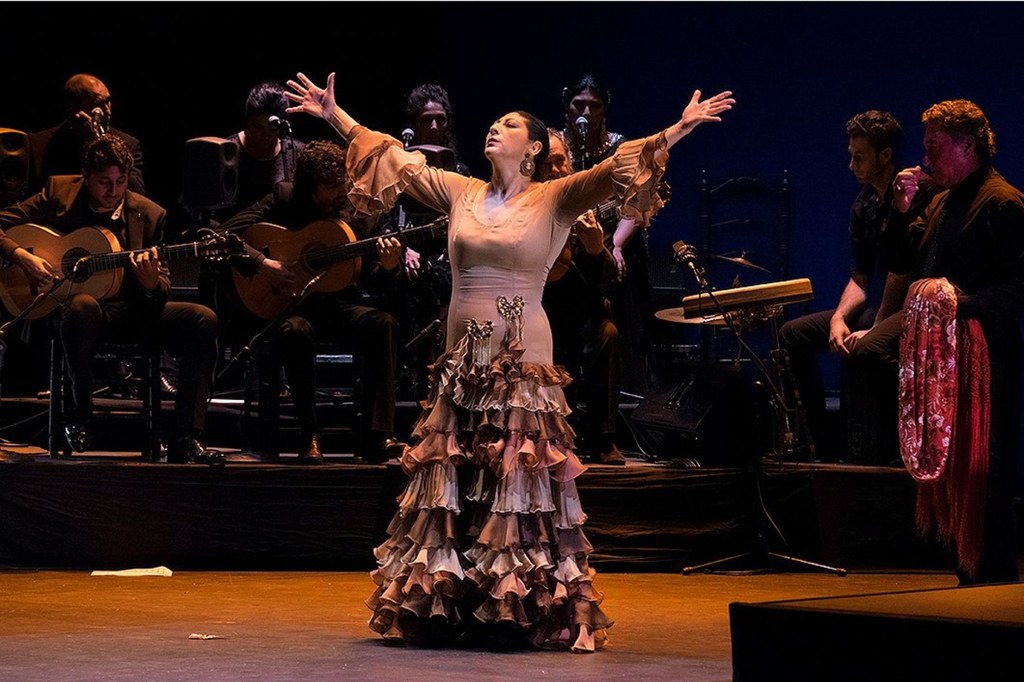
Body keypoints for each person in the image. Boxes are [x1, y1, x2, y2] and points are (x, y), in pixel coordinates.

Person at [285, 70, 733, 651]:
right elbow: (396, 161)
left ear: (536, 147)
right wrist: (333, 115)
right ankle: (456, 606)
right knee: (458, 484)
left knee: (518, 483)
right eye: (495, 123)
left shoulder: (557, 196)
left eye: (512, 124)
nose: (496, 127)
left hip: (521, 360)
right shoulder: (461, 192)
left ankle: (524, 606)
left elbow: (618, 167)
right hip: (462, 360)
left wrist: (678, 128)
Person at [857, 99, 1024, 585]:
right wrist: (902, 207)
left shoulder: (1003, 203)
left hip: (985, 359)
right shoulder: (941, 200)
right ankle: (969, 576)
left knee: (983, 475)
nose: (926, 160)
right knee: (956, 474)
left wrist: (956, 305)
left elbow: (1018, 289)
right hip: (944, 358)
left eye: (934, 148)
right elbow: (902, 258)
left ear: (967, 145)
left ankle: (991, 581)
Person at [0, 135, 220, 465]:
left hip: (134, 311)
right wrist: (22, 257)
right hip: (82, 317)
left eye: (120, 182)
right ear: (86, 176)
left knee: (204, 319)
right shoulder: (59, 192)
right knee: (82, 305)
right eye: (103, 182)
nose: (112, 191)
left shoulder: (149, 214)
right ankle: (80, 412)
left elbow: (160, 291)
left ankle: (187, 438)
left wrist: (150, 284)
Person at [216, 140, 405, 465]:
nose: (338, 195)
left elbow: (370, 277)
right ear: (309, 187)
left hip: (339, 307)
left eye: (340, 186)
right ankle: (309, 434)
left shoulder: (353, 211)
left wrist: (389, 267)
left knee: (383, 323)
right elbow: (223, 234)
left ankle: (378, 436)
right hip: (292, 307)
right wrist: (263, 263)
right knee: (294, 332)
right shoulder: (284, 199)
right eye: (328, 189)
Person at [777, 110, 935, 462]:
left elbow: (902, 270)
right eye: (850, 155)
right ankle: (821, 443)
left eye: (859, 156)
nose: (851, 164)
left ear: (885, 156)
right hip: (879, 304)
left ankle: (893, 447)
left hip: (912, 306)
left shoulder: (916, 193)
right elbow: (860, 276)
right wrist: (838, 318)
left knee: (865, 347)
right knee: (792, 334)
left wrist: (875, 327)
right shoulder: (863, 203)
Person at [555, 74, 652, 395]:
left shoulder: (619, 147)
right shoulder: (555, 146)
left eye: (593, 106)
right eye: (578, 105)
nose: (586, 112)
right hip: (564, 246)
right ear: (567, 107)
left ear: (604, 109)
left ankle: (623, 393)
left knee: (618, 283)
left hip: (614, 239)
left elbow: (636, 201)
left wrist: (618, 245)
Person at [540, 130, 625, 465]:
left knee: (607, 332)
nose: (555, 170)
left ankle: (604, 439)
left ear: (571, 162)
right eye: (545, 164)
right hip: (539, 314)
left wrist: (593, 248)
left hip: (583, 313)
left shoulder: (590, 203)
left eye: (559, 160)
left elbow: (610, 280)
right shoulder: (526, 204)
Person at [385, 83, 470, 399]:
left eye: (441, 119)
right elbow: (386, 218)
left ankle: (445, 380)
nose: (434, 127)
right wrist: (403, 248)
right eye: (426, 120)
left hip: (447, 259)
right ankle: (403, 374)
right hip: (406, 256)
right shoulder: (397, 169)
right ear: (413, 124)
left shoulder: (459, 171)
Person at [28, 74, 145, 195]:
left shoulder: (128, 144)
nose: (107, 111)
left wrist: (98, 143)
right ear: (72, 107)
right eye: (98, 103)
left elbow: (137, 192)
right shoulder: (39, 144)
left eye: (108, 101)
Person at [223, 81, 306, 218]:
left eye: (273, 129)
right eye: (258, 127)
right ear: (247, 122)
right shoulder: (225, 152)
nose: (266, 135)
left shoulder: (296, 152)